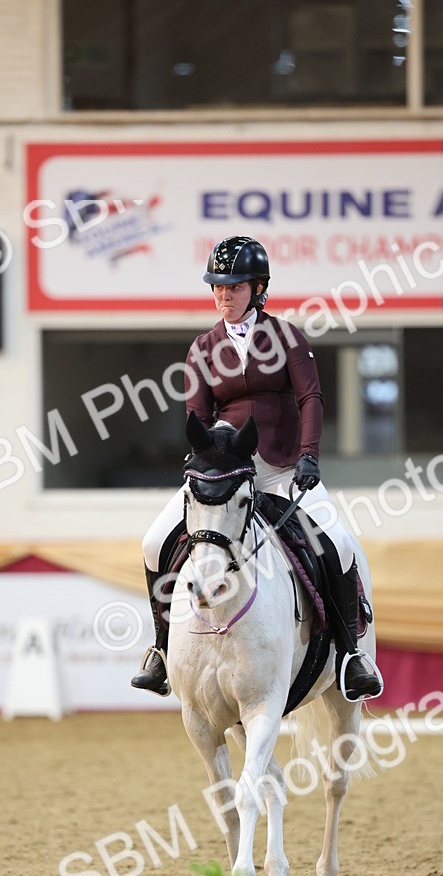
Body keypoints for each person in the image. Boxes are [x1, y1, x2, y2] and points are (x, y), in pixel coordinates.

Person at [131, 234, 383, 702]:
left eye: (234, 287)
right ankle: (162, 651)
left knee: (341, 545)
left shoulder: (286, 337)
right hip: (227, 476)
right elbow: (199, 419)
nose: (224, 295)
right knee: (152, 543)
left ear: (258, 287)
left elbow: (310, 398)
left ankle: (351, 656)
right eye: (218, 287)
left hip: (285, 468)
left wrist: (310, 455)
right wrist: (207, 466)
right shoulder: (202, 348)